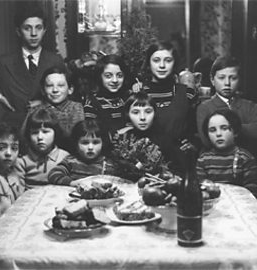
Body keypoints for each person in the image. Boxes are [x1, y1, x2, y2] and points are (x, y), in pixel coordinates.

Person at [136, 41, 199, 173]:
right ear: (148, 63)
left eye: (168, 60)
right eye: (156, 60)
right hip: (145, 164)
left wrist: (193, 143)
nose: (162, 66)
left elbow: (195, 129)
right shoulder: (138, 93)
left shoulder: (187, 93)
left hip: (179, 163)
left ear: (174, 63)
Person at [196, 56, 257, 152]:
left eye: (233, 78)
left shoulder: (248, 105)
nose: (227, 83)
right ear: (212, 80)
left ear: (239, 80)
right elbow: (207, 140)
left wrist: (232, 126)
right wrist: (244, 129)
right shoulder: (205, 107)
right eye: (221, 78)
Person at [196, 109, 257, 197]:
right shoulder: (203, 160)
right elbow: (200, 188)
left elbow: (252, 191)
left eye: (224, 128)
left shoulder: (245, 158)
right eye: (212, 130)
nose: (218, 134)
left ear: (235, 132)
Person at [111, 91, 167, 181]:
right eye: (136, 112)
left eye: (148, 112)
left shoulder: (163, 140)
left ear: (155, 113)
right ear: (128, 114)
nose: (142, 117)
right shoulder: (121, 138)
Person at [27, 66, 84, 151]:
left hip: (68, 154)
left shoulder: (75, 107)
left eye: (60, 85)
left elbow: (74, 136)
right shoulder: (36, 109)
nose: (55, 90)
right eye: (49, 86)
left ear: (70, 89)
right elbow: (24, 136)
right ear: (43, 90)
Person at [48, 119, 117, 185]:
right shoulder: (70, 161)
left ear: (103, 143)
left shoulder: (109, 164)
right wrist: (71, 183)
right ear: (76, 144)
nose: (90, 147)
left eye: (95, 142)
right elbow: (53, 174)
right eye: (85, 143)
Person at [15, 107, 70, 187]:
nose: (40, 137)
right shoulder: (22, 161)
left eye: (45, 132)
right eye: (34, 133)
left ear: (55, 133)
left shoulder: (65, 157)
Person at [84, 54, 131, 135]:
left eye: (119, 75)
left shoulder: (128, 99)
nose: (115, 80)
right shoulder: (92, 103)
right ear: (100, 77)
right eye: (108, 76)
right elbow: (92, 135)